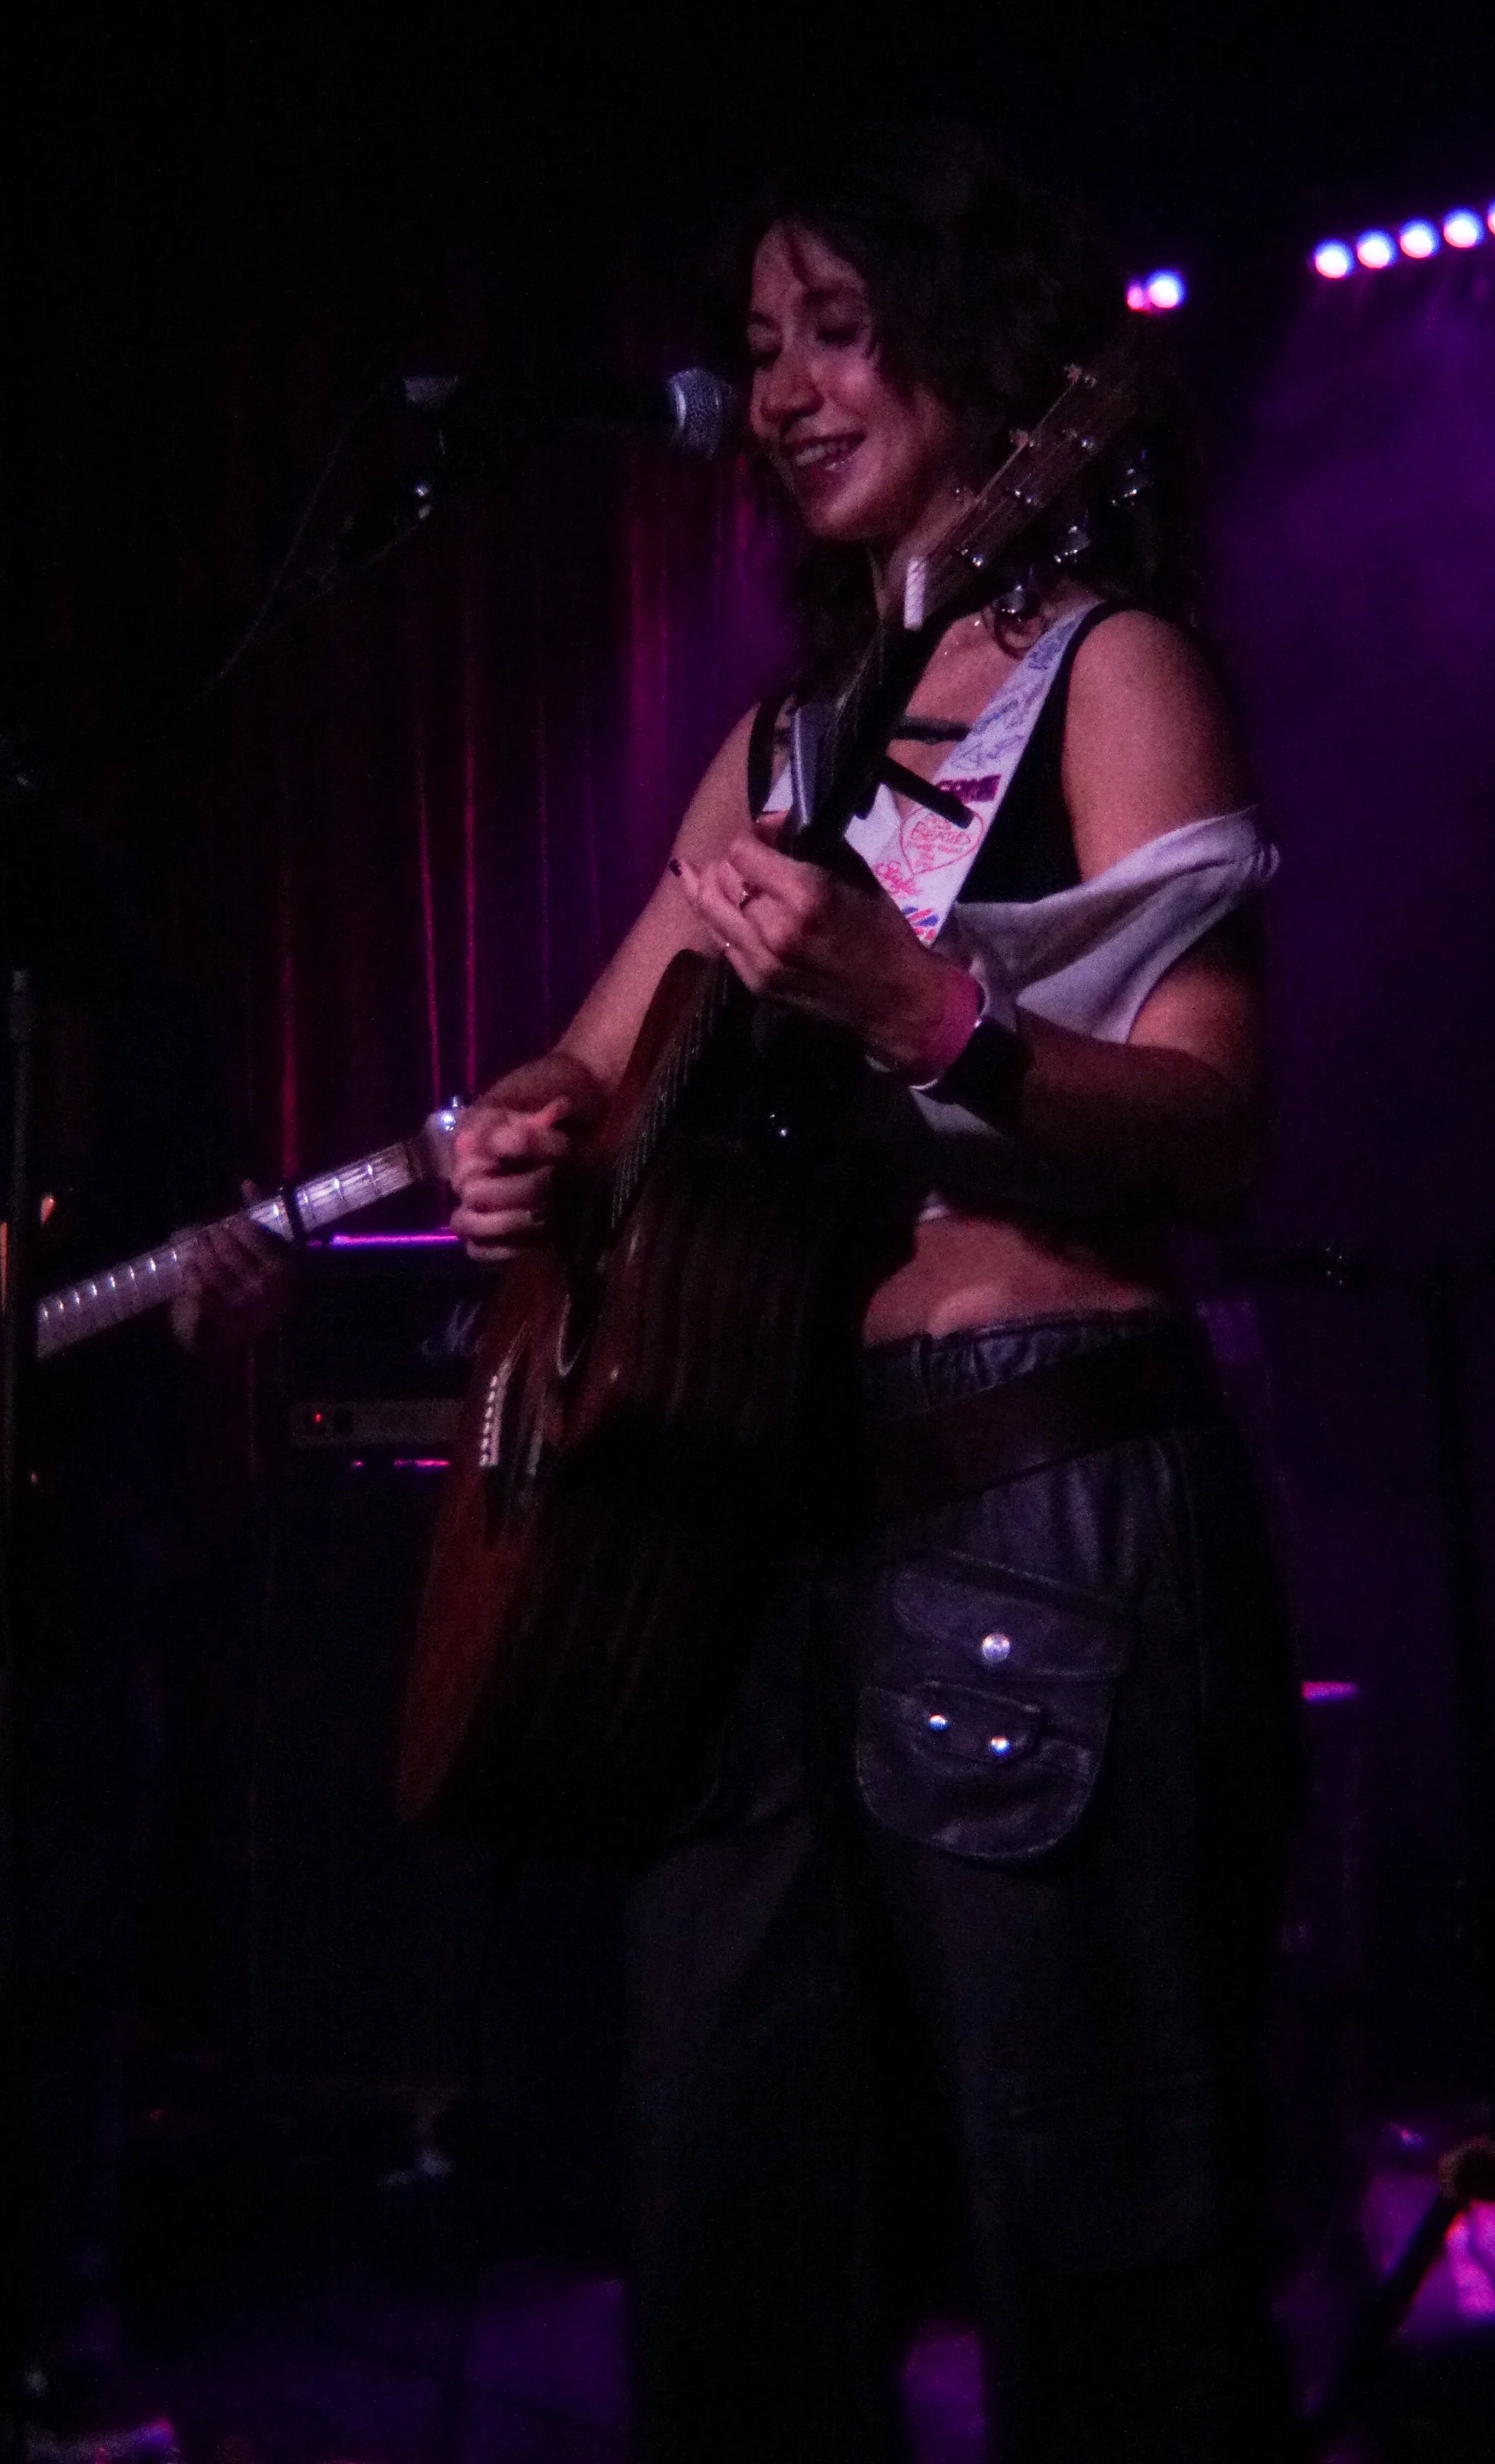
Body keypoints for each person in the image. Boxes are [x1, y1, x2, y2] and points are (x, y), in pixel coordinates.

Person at [448, 132, 1302, 2464]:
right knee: (730, 2240)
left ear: (973, 342)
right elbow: (587, 1062)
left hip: (1037, 1512)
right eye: (760, 348)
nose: (790, 386)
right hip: (763, 1549)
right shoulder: (784, 745)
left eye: (837, 326)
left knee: (1098, 2246)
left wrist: (931, 1016)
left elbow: (1215, 1123)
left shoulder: (1115, 670)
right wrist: (522, 1128)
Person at [0, 707, 290, 2459]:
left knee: (62, 1964)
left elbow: (209, 1245)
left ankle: (42, 2348)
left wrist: (224, 1287)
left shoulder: (127, 1021)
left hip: (76, 1552)